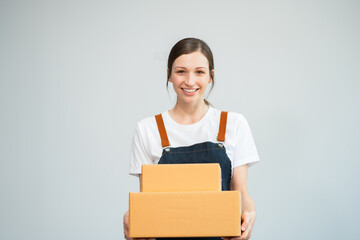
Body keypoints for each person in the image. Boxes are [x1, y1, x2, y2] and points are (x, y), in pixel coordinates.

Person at [123, 38, 260, 240]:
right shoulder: (147, 129)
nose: (189, 81)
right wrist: (133, 220)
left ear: (211, 76)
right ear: (169, 75)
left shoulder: (234, 124)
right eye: (181, 71)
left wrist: (250, 217)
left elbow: (239, 192)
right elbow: (147, 201)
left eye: (199, 72)